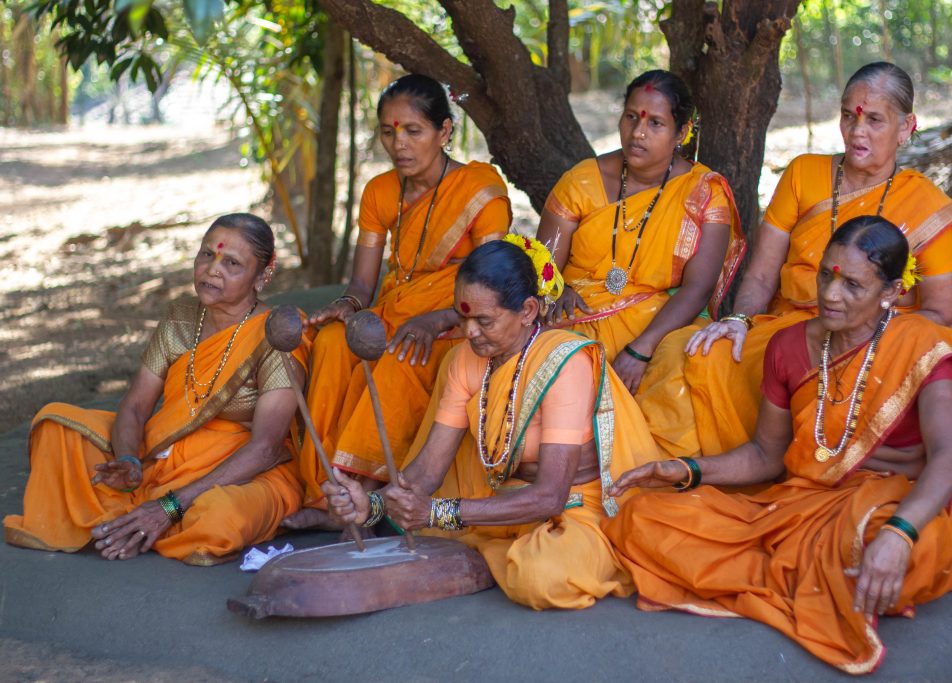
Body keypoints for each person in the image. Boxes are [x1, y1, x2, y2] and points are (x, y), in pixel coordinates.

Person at [603, 217, 952, 674]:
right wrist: (685, 470)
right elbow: (765, 456)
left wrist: (901, 534)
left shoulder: (923, 345)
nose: (830, 295)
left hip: (890, 507)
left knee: (901, 550)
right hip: (798, 505)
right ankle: (803, 578)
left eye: (853, 286)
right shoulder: (789, 346)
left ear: (892, 293)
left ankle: (797, 571)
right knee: (641, 519)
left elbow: (948, 456)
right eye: (826, 275)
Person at [637, 61, 952, 458]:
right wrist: (738, 320)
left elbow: (939, 313)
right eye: (849, 116)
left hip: (872, 339)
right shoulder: (803, 174)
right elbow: (762, 275)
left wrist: (864, 332)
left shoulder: (926, 205)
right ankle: (674, 468)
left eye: (875, 120)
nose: (857, 131)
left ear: (905, 127)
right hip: (790, 328)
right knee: (686, 350)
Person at [322, 238, 662, 610]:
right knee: (434, 528)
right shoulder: (464, 360)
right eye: (462, 316)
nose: (469, 332)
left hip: (577, 507)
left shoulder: (563, 363)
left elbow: (550, 496)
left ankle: (488, 553)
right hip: (504, 498)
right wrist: (368, 505)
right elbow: (427, 471)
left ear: (528, 310)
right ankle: (494, 551)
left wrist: (439, 512)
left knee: (541, 578)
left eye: (483, 320)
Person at [4, 214, 308, 565]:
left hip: (243, 474)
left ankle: (143, 517)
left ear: (263, 274)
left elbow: (266, 449)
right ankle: (140, 515)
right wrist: (129, 458)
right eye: (206, 254)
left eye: (232, 263)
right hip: (160, 456)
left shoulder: (278, 333)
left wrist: (170, 505)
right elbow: (134, 406)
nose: (212, 270)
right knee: (56, 423)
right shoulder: (180, 318)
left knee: (218, 518)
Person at [289, 74, 512, 526]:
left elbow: (495, 283)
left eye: (414, 131)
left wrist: (440, 318)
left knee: (400, 357)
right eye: (389, 132)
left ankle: (360, 495)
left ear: (444, 132)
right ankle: (320, 491)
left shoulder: (481, 190)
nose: (400, 144)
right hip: (393, 309)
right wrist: (348, 305)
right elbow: (362, 284)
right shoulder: (379, 191)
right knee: (332, 343)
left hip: (459, 320)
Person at [536, 69, 745, 396]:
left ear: (682, 133)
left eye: (655, 123)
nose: (638, 133)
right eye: (631, 117)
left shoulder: (704, 193)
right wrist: (556, 290)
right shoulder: (580, 182)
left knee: (691, 373)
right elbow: (542, 267)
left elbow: (699, 287)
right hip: (577, 320)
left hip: (659, 326)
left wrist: (641, 349)